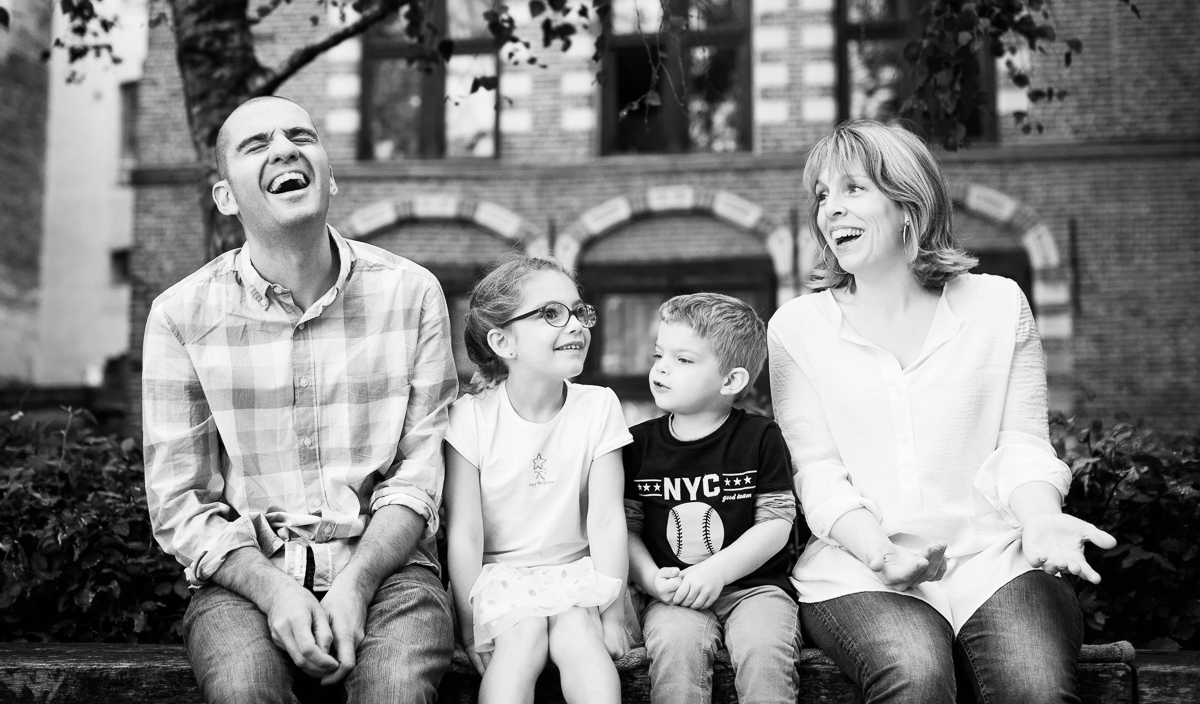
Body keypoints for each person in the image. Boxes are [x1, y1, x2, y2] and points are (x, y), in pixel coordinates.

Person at [767, 119, 1117, 704]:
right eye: (822, 195)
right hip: (859, 569)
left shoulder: (998, 304)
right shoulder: (798, 328)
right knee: (914, 675)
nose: (830, 210)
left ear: (910, 202)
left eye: (854, 189)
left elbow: (1022, 444)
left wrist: (1039, 518)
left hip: (997, 559)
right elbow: (819, 475)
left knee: (1034, 688)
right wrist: (879, 553)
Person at [142, 96, 458, 704]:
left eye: (299, 136)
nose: (284, 148)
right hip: (247, 574)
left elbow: (418, 474)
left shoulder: (412, 293)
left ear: (330, 176)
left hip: (389, 572)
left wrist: (358, 584)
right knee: (244, 691)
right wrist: (275, 590)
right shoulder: (180, 316)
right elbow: (180, 502)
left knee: (394, 691)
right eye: (255, 145)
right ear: (226, 197)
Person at [443, 255, 631, 704]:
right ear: (502, 340)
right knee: (522, 638)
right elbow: (466, 532)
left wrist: (613, 615)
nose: (576, 325)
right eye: (551, 314)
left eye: (578, 310)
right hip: (498, 577)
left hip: (577, 574)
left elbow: (606, 520)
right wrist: (471, 630)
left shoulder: (599, 405)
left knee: (580, 636)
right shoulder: (470, 417)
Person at [624, 293, 801, 704]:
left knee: (764, 653)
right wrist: (651, 577)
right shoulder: (639, 444)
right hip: (675, 592)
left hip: (754, 589)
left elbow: (776, 524)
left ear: (731, 381)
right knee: (674, 649)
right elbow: (627, 529)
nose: (661, 369)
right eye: (658, 355)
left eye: (683, 360)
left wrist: (717, 571)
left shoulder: (760, 437)